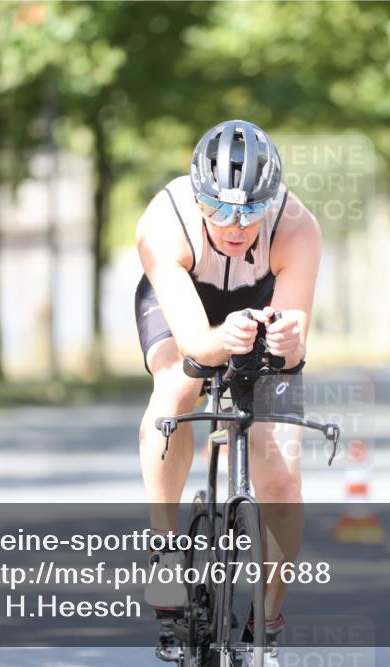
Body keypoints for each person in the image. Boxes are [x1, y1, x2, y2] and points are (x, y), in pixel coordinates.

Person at [134, 120, 322, 662]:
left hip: (261, 301)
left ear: (272, 201)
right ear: (198, 198)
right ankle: (167, 550)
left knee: (281, 476)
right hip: (186, 303)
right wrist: (222, 341)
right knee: (177, 383)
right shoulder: (162, 224)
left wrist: (286, 341)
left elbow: (294, 351)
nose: (235, 226)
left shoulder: (296, 227)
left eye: (250, 211)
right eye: (218, 210)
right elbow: (196, 345)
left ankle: (268, 618)